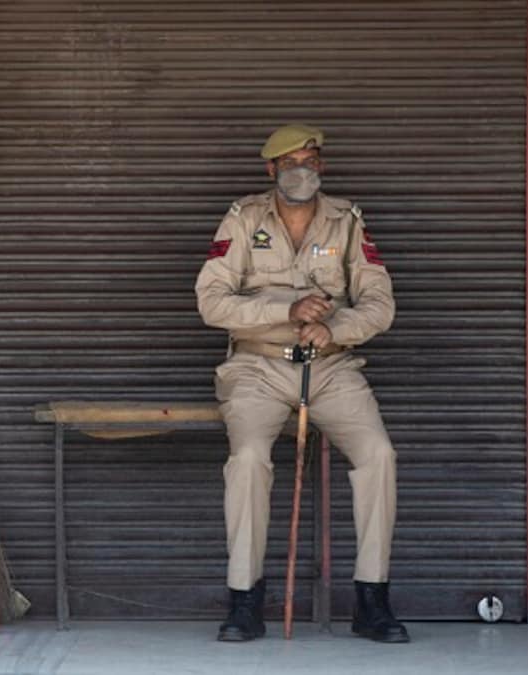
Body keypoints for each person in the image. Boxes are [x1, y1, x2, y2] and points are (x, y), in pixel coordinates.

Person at [195, 123, 409, 643]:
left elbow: (381, 305)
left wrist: (334, 327)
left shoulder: (347, 221)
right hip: (256, 367)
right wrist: (283, 310)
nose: (301, 171)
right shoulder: (243, 219)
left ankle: (371, 599)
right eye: (290, 163)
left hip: (331, 367)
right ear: (270, 170)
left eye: (310, 160)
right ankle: (244, 600)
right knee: (247, 460)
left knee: (379, 455)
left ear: (323, 167)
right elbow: (211, 303)